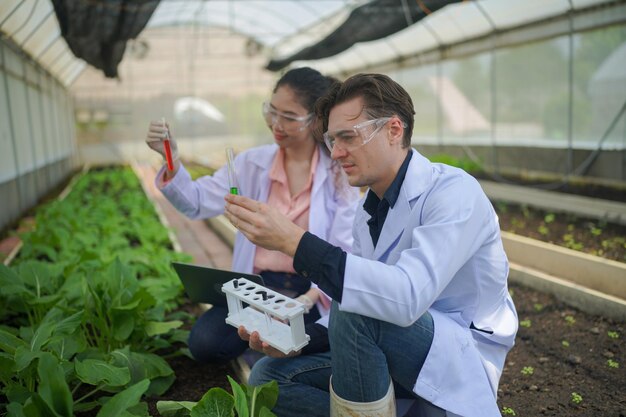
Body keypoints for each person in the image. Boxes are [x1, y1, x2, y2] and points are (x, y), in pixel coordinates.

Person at [224, 73, 518, 417]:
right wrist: (295, 341)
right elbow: (359, 299)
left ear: (394, 130)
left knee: (356, 305)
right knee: (267, 376)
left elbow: (405, 298)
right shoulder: (368, 213)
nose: (335, 153)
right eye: (332, 140)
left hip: (455, 355)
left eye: (348, 137)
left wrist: (295, 242)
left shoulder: (454, 194)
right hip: (390, 344)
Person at [145, 67, 359, 363]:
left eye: (289, 117)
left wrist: (304, 301)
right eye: (272, 112)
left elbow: (342, 249)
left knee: (297, 350)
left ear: (314, 120)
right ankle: (260, 338)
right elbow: (194, 202)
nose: (276, 124)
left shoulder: (338, 174)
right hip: (254, 288)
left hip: (306, 292)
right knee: (204, 343)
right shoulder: (250, 164)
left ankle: (267, 344)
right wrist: (170, 156)